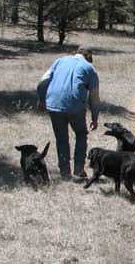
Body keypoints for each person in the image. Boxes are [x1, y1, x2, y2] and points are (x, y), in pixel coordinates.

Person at [37, 46, 100, 180]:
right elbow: (94, 98)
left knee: (61, 139)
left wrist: (41, 99)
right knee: (81, 134)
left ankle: (65, 173)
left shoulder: (59, 61)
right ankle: (78, 168)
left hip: (54, 105)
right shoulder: (89, 69)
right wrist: (95, 118)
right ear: (89, 58)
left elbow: (43, 81)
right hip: (75, 107)